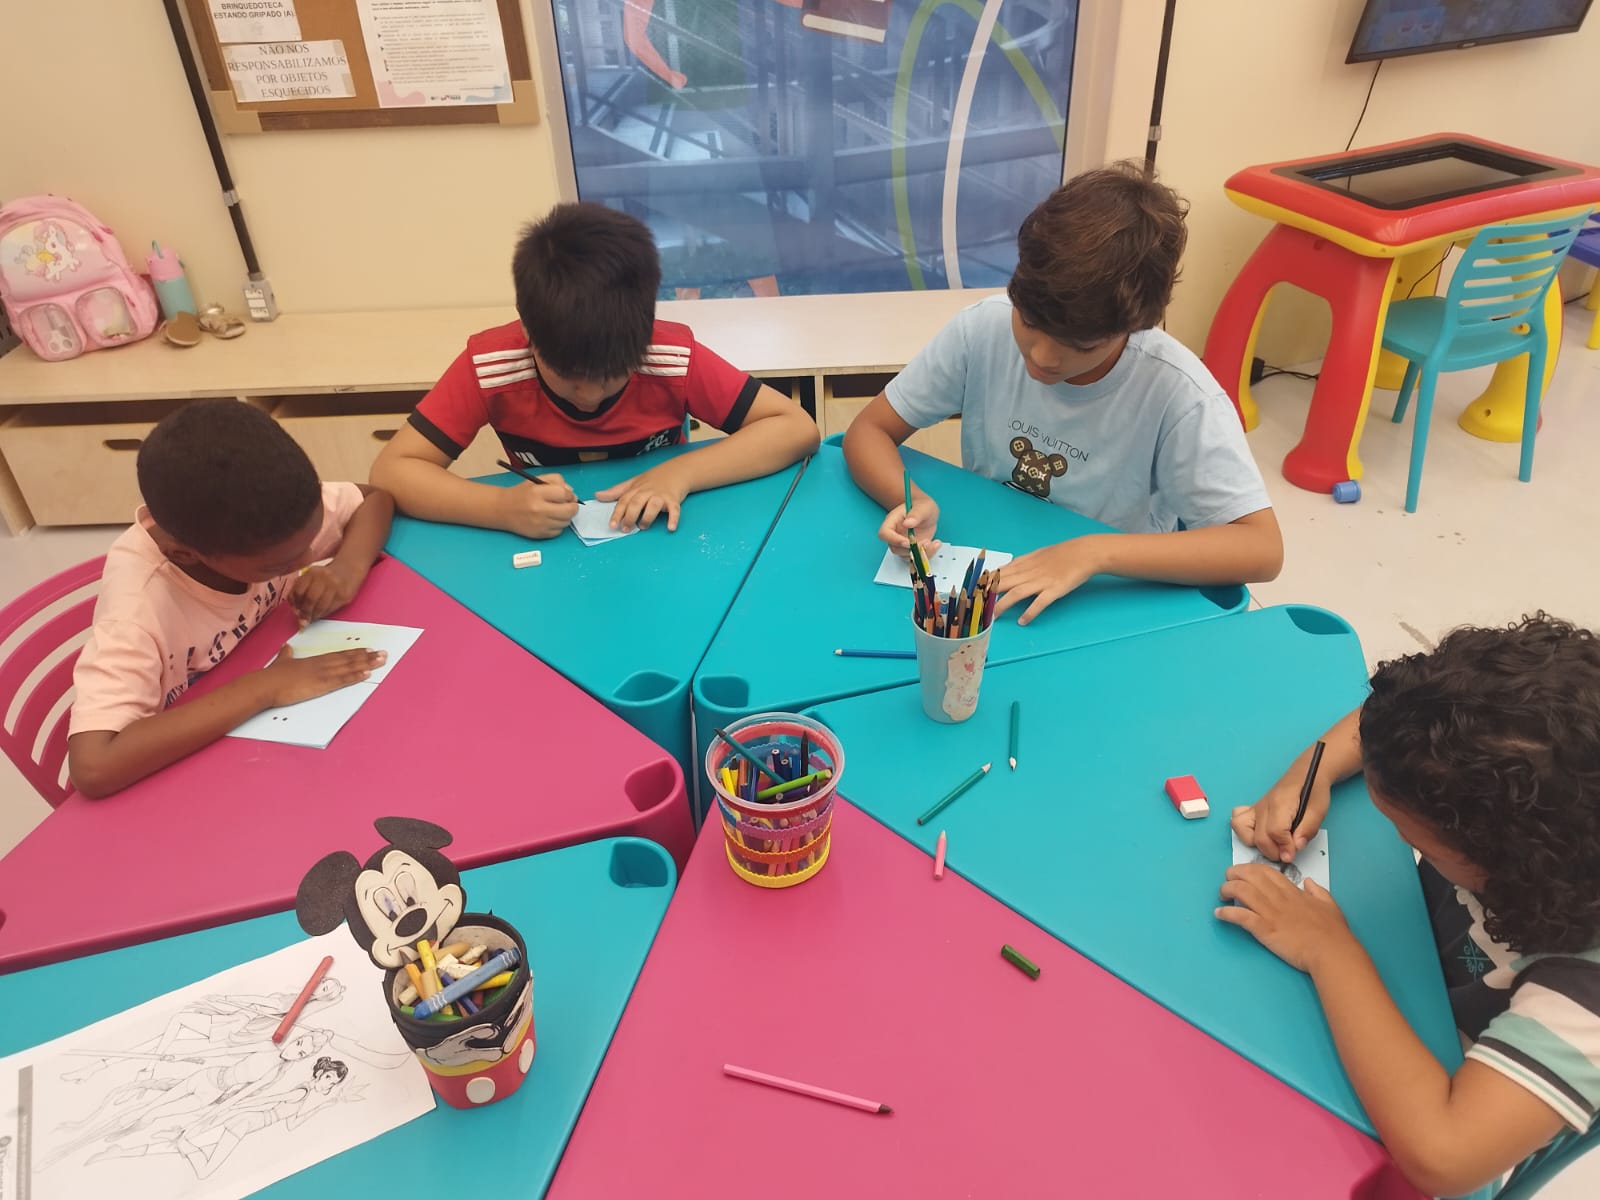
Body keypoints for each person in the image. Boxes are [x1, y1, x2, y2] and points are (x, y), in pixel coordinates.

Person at [1222, 614, 1600, 1197]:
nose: (1400, 839)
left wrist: (1329, 951)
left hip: (1456, 1102)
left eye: (1411, 835)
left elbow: (1444, 1157)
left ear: (1511, 865)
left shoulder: (1585, 990)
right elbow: (1389, 725)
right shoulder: (1537, 753)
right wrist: (1311, 772)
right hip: (1414, 975)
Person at [841, 162, 1282, 625]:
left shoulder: (1179, 392)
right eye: (1029, 322)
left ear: (1134, 327)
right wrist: (911, 500)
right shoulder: (983, 329)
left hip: (1108, 597)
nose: (1043, 356)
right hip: (995, 553)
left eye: (1080, 345)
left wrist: (1094, 552)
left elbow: (1262, 548)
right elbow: (869, 431)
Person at [370, 202, 819, 538]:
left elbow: (795, 428)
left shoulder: (668, 356)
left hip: (659, 536)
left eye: (610, 378)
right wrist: (500, 508)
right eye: (570, 381)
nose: (589, 398)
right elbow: (393, 471)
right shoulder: (492, 366)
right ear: (528, 332)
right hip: (545, 548)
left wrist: (680, 474)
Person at [67, 401, 392, 798]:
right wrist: (265, 687)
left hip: (265, 736)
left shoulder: (269, 509)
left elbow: (374, 499)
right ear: (186, 554)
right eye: (280, 565)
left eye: (312, 541)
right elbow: (93, 767)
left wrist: (346, 569)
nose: (307, 560)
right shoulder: (136, 614)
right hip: (190, 779)